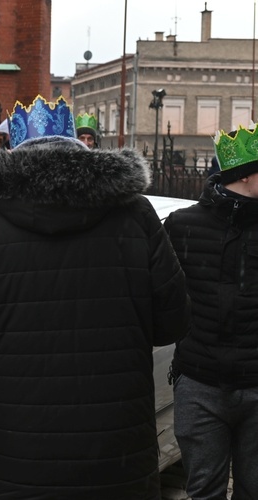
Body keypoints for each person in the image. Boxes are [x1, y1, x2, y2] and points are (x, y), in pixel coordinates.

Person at [0, 95, 191, 499]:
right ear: (80, 149)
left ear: (14, 151)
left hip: (16, 459)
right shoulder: (134, 214)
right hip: (116, 458)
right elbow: (172, 323)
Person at [164, 126, 258, 500]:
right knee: (203, 489)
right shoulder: (181, 225)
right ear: (245, 173)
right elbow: (160, 296)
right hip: (200, 384)